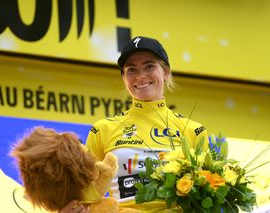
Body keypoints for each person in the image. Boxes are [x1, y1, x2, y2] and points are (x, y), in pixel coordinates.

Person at [61, 36, 209, 213]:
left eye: (149, 66)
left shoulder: (194, 131)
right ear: (123, 77)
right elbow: (86, 193)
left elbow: (206, 197)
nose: (140, 76)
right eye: (131, 70)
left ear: (166, 72)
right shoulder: (102, 129)